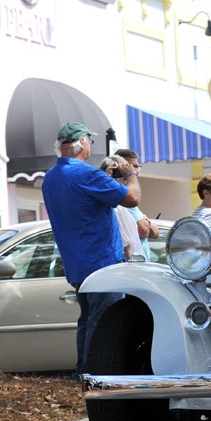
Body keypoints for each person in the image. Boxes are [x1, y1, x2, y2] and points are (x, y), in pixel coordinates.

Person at [42, 122, 140, 380]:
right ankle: (97, 376)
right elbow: (132, 199)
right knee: (106, 323)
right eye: (90, 142)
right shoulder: (86, 174)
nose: (90, 147)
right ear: (82, 143)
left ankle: (83, 372)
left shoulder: (51, 177)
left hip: (77, 264)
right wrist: (130, 175)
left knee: (88, 321)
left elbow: (82, 204)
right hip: (103, 263)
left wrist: (103, 178)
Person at [115, 148, 160, 261]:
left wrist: (147, 222)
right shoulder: (123, 195)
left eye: (137, 166)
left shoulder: (128, 197)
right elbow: (143, 230)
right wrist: (145, 222)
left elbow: (155, 232)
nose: (136, 171)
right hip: (132, 266)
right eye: (132, 166)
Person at [99, 155, 142, 261]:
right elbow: (125, 245)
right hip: (128, 265)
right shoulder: (115, 207)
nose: (124, 179)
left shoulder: (121, 205)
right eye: (123, 174)